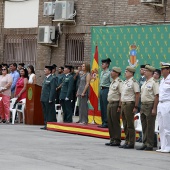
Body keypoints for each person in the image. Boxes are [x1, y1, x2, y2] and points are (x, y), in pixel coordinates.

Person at [137, 65, 159, 151]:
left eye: (146, 70)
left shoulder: (154, 82)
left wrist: (154, 108)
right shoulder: (145, 82)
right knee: (144, 125)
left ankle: (150, 144)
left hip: (150, 105)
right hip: (143, 104)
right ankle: (145, 143)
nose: (144, 72)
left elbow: (157, 96)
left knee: (150, 125)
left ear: (150, 72)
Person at [119, 66, 140, 149]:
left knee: (130, 124)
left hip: (129, 104)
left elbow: (137, 94)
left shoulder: (133, 82)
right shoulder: (125, 82)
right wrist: (120, 105)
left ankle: (131, 142)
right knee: (125, 124)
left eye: (127, 71)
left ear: (131, 73)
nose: (125, 73)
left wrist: (136, 106)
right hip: (124, 104)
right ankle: (127, 141)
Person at [105, 67, 123, 146]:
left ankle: (117, 139)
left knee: (115, 122)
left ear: (117, 73)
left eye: (113, 71)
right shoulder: (112, 82)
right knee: (110, 122)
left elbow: (121, 94)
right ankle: (112, 138)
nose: (111, 73)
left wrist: (119, 106)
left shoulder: (119, 82)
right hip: (110, 103)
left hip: (115, 104)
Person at [156, 62, 170, 153]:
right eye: (161, 69)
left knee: (167, 126)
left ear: (168, 70)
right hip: (160, 104)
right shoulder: (162, 80)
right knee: (160, 126)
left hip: (167, 103)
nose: (161, 71)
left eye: (163, 69)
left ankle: (168, 146)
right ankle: (163, 146)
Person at [40, 66, 57, 130]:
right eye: (44, 69)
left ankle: (50, 124)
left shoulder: (52, 78)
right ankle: (45, 124)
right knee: (45, 112)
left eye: (46, 69)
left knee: (49, 112)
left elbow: (52, 89)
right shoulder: (45, 78)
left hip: (48, 98)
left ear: (49, 71)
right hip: (43, 98)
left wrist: (50, 98)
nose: (44, 70)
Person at [98, 58, 112, 128]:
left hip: (106, 89)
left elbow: (111, 82)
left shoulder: (109, 73)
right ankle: (103, 121)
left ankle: (107, 122)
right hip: (102, 89)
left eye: (103, 64)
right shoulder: (102, 72)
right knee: (102, 106)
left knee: (106, 106)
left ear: (107, 65)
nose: (101, 65)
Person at [136, 64, 147, 143]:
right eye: (140, 69)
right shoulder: (140, 78)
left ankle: (144, 136)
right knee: (139, 120)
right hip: (139, 101)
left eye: (142, 69)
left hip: (144, 101)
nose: (141, 71)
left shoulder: (147, 80)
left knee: (144, 120)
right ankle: (140, 135)